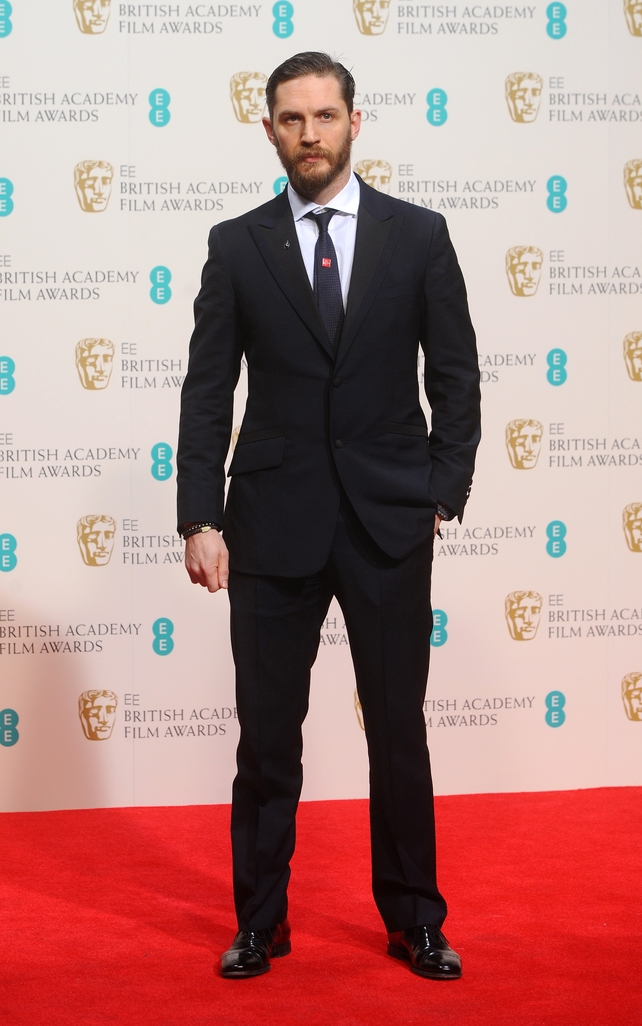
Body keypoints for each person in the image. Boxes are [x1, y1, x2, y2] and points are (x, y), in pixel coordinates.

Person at [177, 52, 480, 981]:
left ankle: (414, 919)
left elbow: (456, 376)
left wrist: (440, 488)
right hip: (270, 523)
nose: (310, 134)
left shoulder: (419, 236)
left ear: (356, 121)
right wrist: (200, 514)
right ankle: (260, 923)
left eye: (325, 115)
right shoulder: (237, 245)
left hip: (389, 519)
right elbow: (206, 391)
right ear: (268, 128)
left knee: (399, 729)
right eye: (292, 118)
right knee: (268, 735)